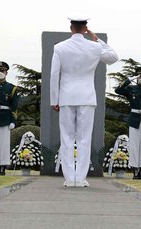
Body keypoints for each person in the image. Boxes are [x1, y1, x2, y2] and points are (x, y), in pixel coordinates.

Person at [50, 17, 118, 187]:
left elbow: (54, 75)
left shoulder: (59, 47)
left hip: (66, 97)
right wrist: (97, 39)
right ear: (85, 28)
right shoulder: (94, 47)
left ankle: (69, 178)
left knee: (66, 138)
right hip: (87, 96)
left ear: (71, 27)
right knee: (84, 138)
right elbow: (113, 57)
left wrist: (54, 99)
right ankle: (80, 178)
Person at [114, 66, 141, 180]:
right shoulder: (131, 88)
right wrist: (130, 79)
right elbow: (117, 90)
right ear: (136, 76)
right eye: (140, 75)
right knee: (134, 146)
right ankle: (135, 171)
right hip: (134, 120)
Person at [0, 61, 18, 176]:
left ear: (6, 72)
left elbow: (14, 106)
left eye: (2, 71)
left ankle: (3, 166)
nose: (0, 73)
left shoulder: (12, 88)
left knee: (5, 143)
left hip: (5, 118)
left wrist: (13, 121)